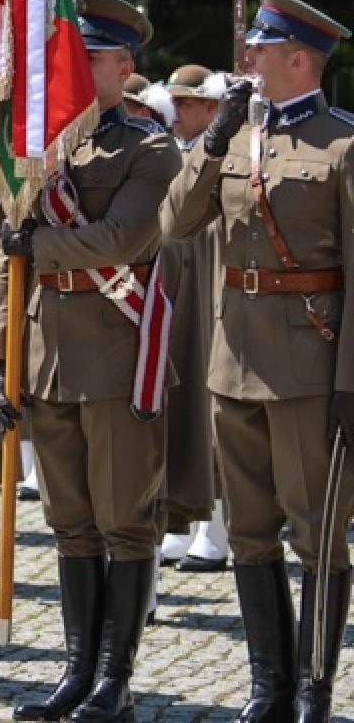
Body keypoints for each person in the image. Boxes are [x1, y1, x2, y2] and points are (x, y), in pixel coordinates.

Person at [163, 0, 354, 722]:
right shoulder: (236, 138)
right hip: (232, 359)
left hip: (309, 365)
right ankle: (267, 685)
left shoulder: (342, 142)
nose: (246, 57)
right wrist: (212, 143)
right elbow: (178, 223)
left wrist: (349, 382)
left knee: (316, 531)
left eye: (261, 49)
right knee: (247, 530)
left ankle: (313, 687)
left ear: (300, 59)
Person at [0, 0, 179, 720]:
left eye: (86, 57)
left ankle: (114, 682)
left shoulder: (150, 148)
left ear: (124, 67)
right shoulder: (37, 152)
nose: (68, 67)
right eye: (64, 55)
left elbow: (121, 240)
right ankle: (76, 674)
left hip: (118, 353)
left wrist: (38, 244)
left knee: (124, 520)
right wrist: (2, 360)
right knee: (69, 521)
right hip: (47, 355)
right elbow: (7, 267)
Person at [155, 64, 230, 575]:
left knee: (217, 411)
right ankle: (190, 523)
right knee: (185, 405)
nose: (178, 112)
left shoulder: (229, 151)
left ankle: (218, 529)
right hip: (181, 283)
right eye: (174, 102)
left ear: (212, 108)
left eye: (188, 103)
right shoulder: (175, 155)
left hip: (216, 281)